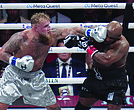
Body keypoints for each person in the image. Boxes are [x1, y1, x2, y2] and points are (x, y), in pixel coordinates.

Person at [0, 12, 107, 109]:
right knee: (2, 105)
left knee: (54, 108)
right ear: (36, 28)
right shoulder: (20, 38)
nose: (49, 28)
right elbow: (2, 53)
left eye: (49, 25)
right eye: (45, 26)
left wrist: (90, 32)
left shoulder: (51, 35)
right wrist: (16, 62)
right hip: (14, 74)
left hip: (35, 76)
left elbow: (74, 30)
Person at [73, 21, 129, 110]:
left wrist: (88, 47)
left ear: (118, 37)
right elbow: (77, 30)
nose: (107, 39)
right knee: (80, 108)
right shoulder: (98, 32)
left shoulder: (122, 44)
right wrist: (74, 38)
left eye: (110, 38)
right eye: (106, 35)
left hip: (114, 82)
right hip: (96, 77)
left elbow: (106, 60)